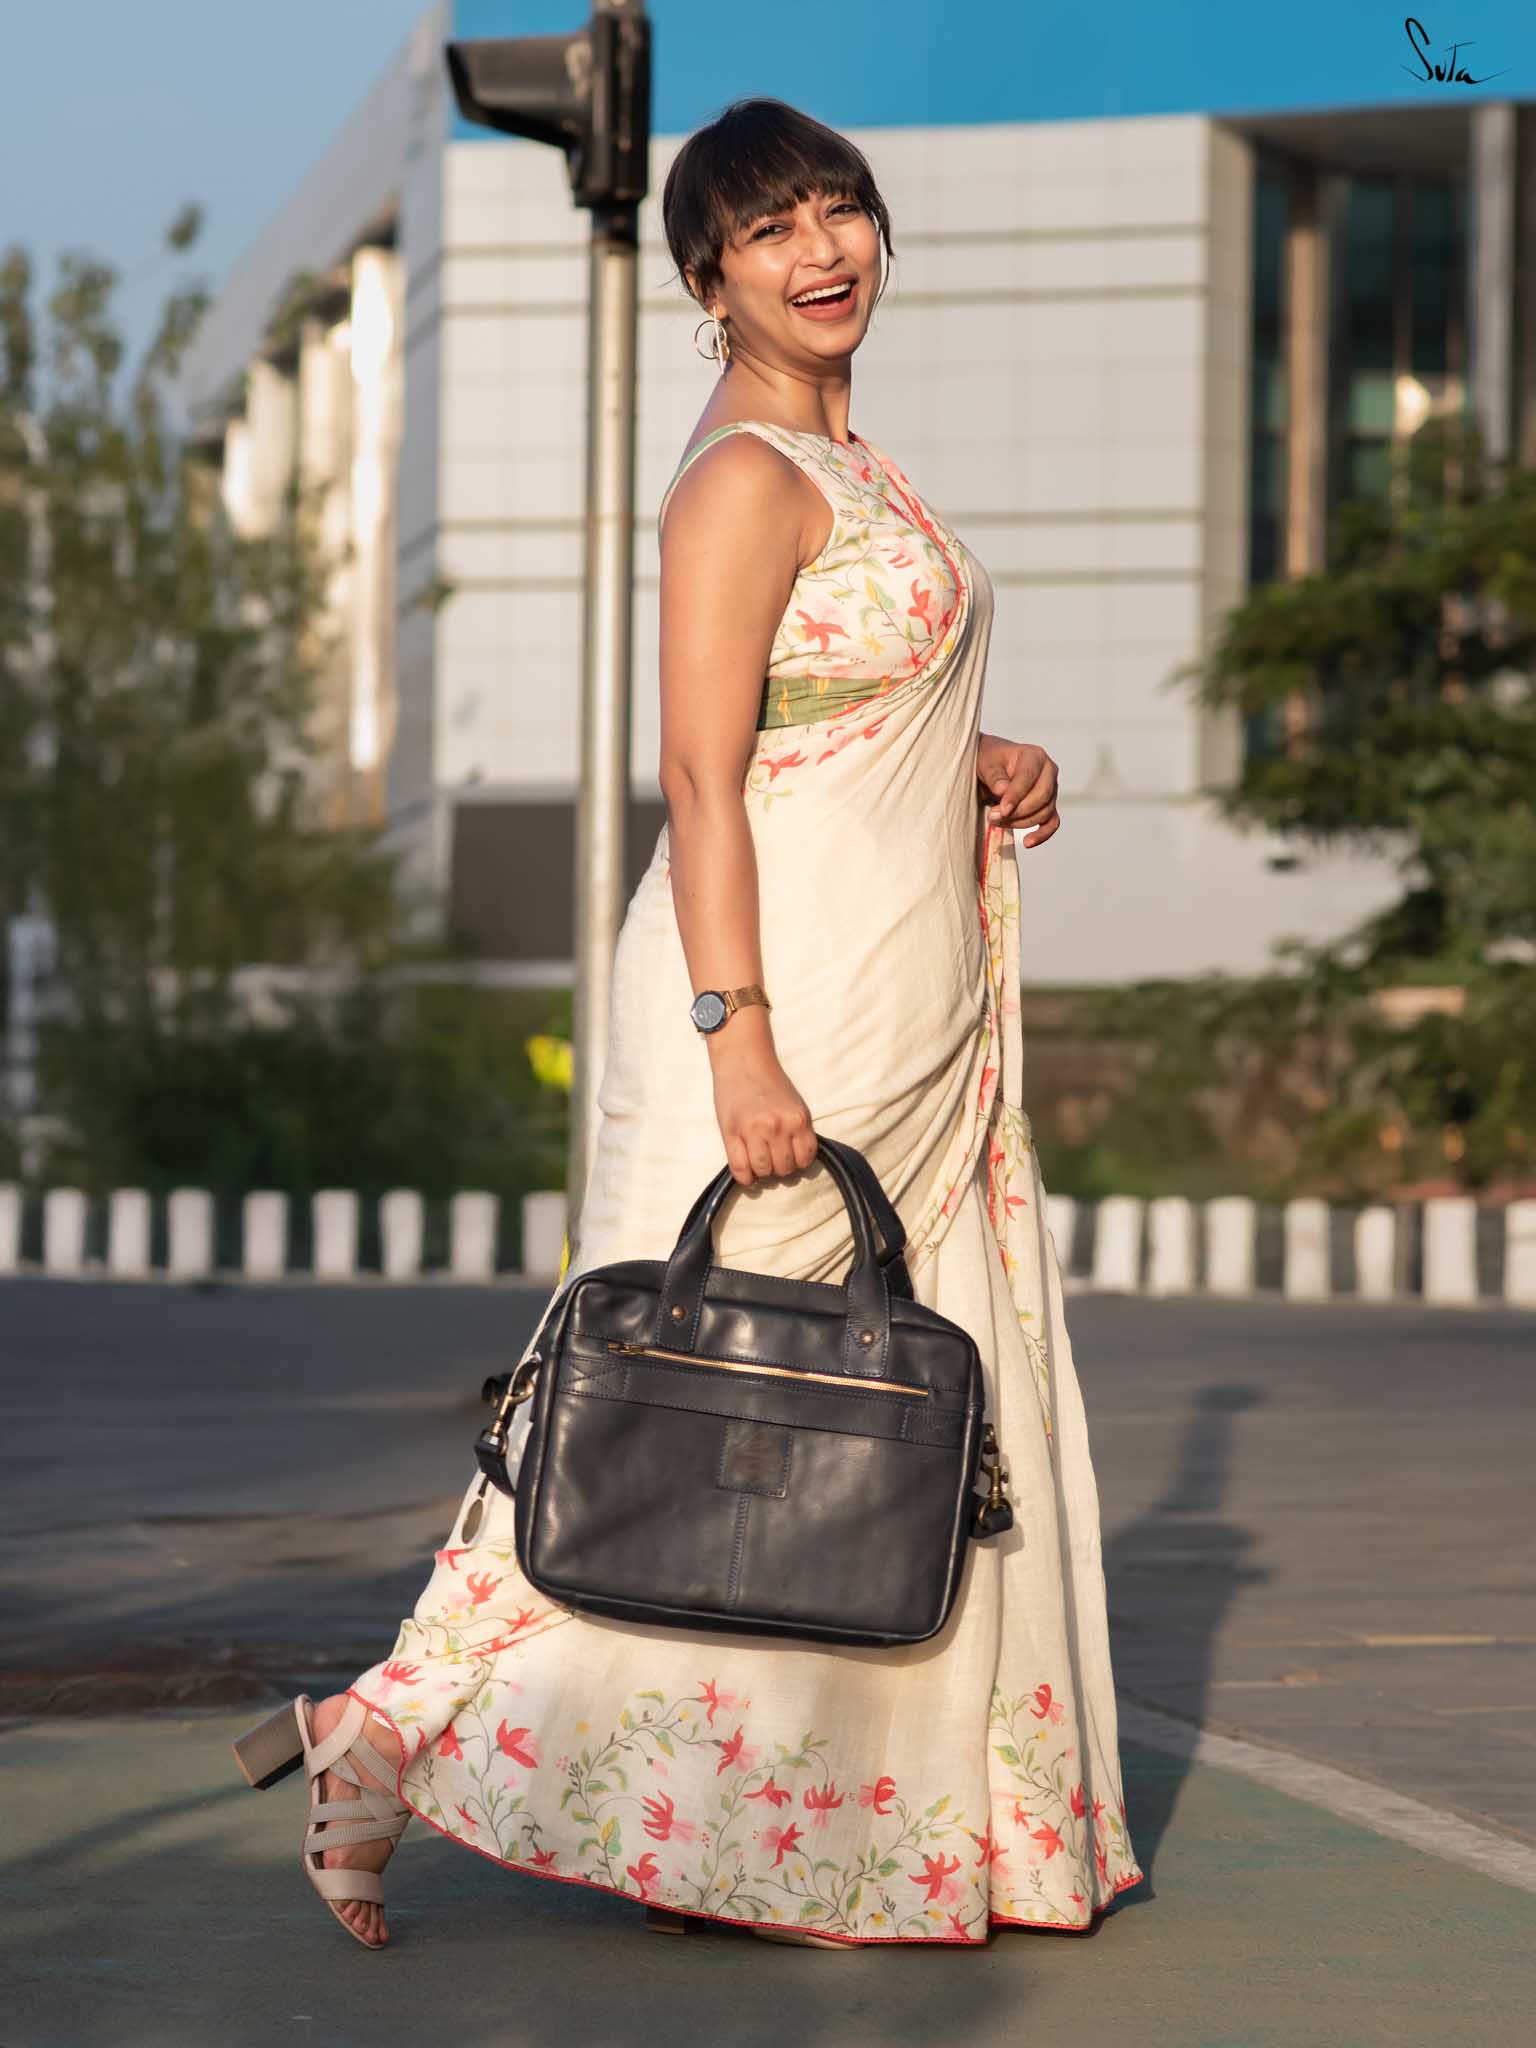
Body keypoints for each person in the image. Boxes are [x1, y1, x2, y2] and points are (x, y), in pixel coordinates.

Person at [232, 95, 1146, 1952]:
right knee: (669, 1409)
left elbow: (818, 711)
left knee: (846, 1433)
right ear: (705, 278)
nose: (821, 252)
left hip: (897, 1001)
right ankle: (383, 1726)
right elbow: (702, 774)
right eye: (771, 229)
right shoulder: (740, 475)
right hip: (779, 1000)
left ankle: (783, 1835)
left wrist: (979, 754)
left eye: (841, 211)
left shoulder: (853, 461)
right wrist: (740, 1038)